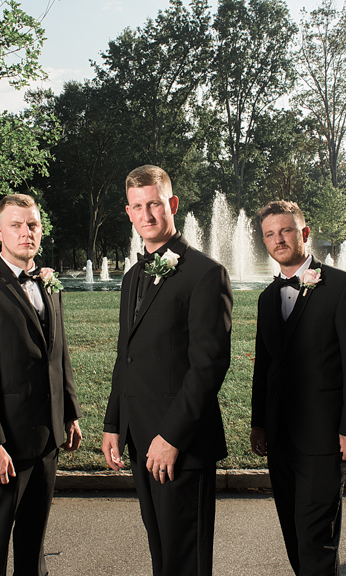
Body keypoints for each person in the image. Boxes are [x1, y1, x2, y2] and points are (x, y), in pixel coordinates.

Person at [102, 165, 233, 576]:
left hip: (181, 446)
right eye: (138, 207)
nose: (147, 214)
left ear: (172, 204)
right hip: (141, 440)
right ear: (129, 212)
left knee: (185, 562)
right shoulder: (131, 277)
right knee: (163, 558)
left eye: (155, 204)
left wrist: (171, 436)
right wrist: (113, 424)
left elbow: (208, 366)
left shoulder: (206, 274)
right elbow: (127, 357)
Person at [0, 194, 82, 576]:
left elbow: (58, 355)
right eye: (16, 225)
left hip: (46, 437)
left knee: (34, 541)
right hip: (3, 445)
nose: (26, 232)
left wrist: (70, 413)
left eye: (33, 225)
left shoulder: (49, 284)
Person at [250, 200, 346, 575]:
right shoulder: (268, 298)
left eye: (285, 231)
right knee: (293, 532)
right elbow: (265, 365)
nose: (278, 239)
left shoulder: (344, 289)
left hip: (325, 436)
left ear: (304, 233)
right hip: (280, 436)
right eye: (269, 234)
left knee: (315, 536)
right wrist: (259, 422)